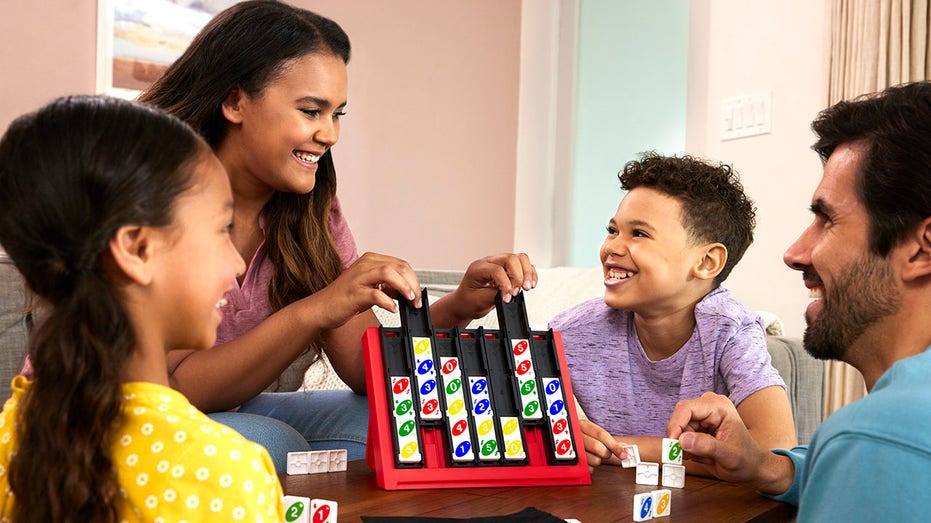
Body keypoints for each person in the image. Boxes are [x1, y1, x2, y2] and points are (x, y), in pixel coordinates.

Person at [136, 0, 536, 471]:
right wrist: (316, 309)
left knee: (397, 425)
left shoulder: (310, 207)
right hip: (131, 417)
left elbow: (367, 373)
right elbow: (178, 388)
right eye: (311, 111)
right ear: (235, 101)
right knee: (271, 441)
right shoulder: (155, 195)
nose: (330, 135)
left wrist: (458, 307)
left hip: (233, 415)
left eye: (337, 114)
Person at [0, 96, 282, 522]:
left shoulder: (10, 434)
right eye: (223, 229)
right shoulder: (222, 473)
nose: (237, 263)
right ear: (138, 248)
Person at [666, 81, 931, 521]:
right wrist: (766, 466)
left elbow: (885, 457)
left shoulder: (875, 439)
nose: (794, 253)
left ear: (921, 249)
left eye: (826, 219)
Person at [549, 152, 796, 472]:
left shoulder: (730, 331)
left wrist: (616, 448)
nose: (612, 247)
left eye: (638, 233)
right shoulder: (566, 334)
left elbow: (776, 452)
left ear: (707, 263)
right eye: (613, 230)